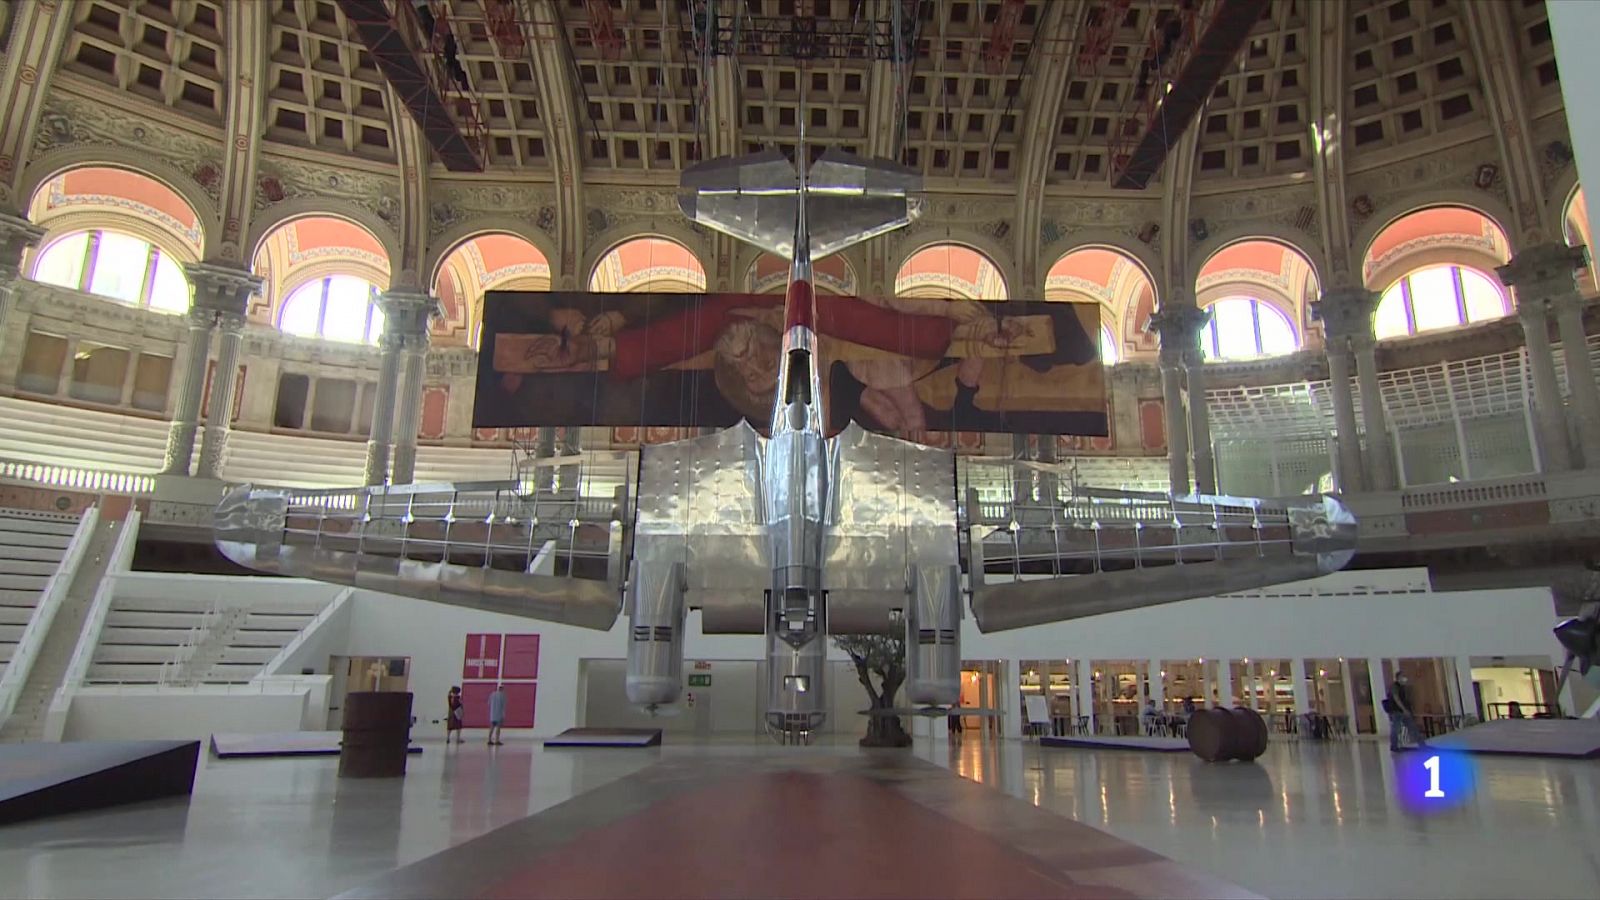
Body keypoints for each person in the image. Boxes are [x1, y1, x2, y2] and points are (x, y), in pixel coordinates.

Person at [1384, 672, 1426, 751]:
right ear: (1398, 678)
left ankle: (1422, 744)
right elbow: (1397, 699)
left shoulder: (1402, 687)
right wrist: (1404, 709)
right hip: (1397, 712)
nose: (1404, 679)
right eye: (1403, 677)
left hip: (1403, 711)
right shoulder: (1395, 687)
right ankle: (1394, 746)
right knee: (1396, 729)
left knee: (1412, 727)